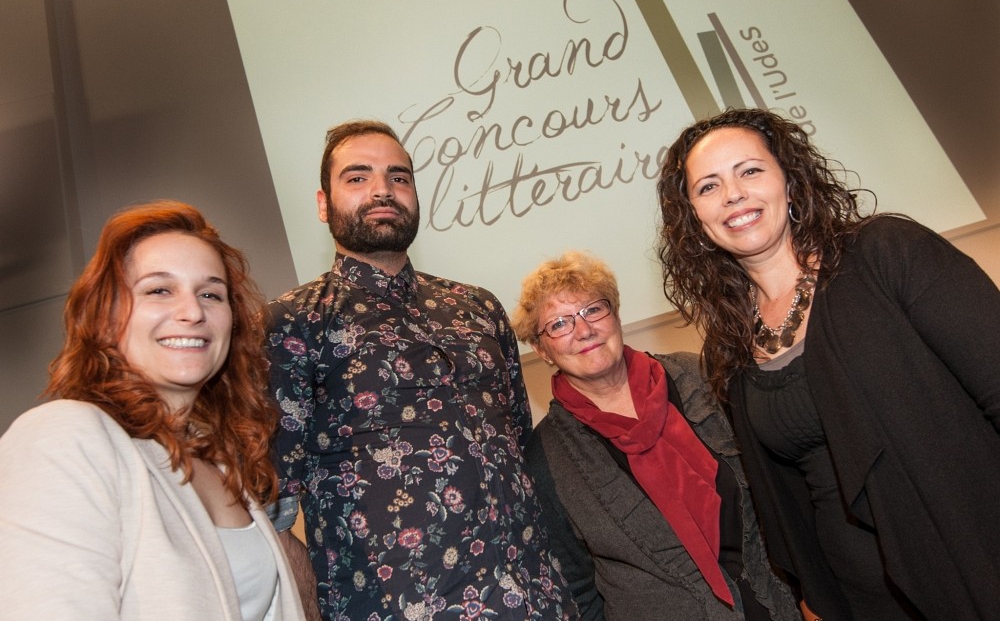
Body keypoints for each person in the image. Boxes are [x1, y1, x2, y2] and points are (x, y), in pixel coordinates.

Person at [656, 108, 1000, 621]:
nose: (732, 194)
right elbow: (785, 500)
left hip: (971, 554)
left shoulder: (885, 254)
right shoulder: (727, 348)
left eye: (749, 171)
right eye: (708, 186)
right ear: (697, 222)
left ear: (790, 184)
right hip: (860, 596)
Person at [265, 120, 575, 621]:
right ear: (323, 203)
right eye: (358, 177)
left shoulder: (476, 306)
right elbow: (275, 508)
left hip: (538, 598)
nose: (382, 190)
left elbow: (517, 443)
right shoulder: (292, 324)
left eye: (399, 176)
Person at [0, 201, 306, 621]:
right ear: (108, 315)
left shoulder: (218, 460)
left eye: (211, 294)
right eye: (159, 289)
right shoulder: (62, 437)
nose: (192, 312)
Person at [509, 251, 798, 621]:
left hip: (775, 605)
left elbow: (775, 492)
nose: (583, 331)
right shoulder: (546, 457)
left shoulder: (700, 377)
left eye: (593, 310)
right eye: (559, 324)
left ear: (615, 314)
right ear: (542, 349)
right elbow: (576, 587)